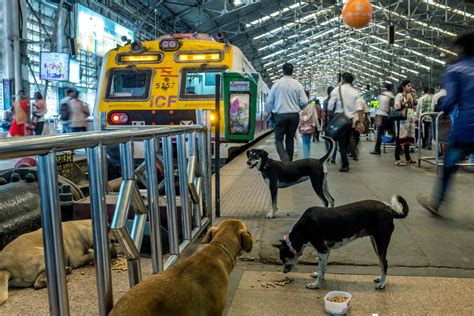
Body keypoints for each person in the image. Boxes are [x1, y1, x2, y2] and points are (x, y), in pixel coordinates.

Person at [417, 31, 474, 215]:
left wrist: (443, 113)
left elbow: (450, 100)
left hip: (466, 128)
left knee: (448, 166)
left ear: (463, 49)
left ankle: (436, 203)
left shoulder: (455, 70)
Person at [265, 63, 308, 162]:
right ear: (292, 72)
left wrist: (268, 112)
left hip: (280, 116)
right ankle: (289, 163)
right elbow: (305, 101)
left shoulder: (277, 84)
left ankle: (285, 159)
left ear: (282, 71)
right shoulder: (297, 84)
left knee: (278, 140)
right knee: (290, 140)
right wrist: (299, 107)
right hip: (294, 116)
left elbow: (269, 102)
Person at [327, 72, 365, 172]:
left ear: (343, 79)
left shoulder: (337, 90)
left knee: (341, 143)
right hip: (350, 121)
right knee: (346, 141)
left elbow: (330, 106)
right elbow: (359, 109)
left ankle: (345, 164)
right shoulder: (355, 92)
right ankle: (346, 161)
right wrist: (360, 122)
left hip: (340, 119)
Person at [393, 80, 417, 166]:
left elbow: (413, 106)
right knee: (400, 139)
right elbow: (397, 107)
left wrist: (413, 97)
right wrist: (406, 101)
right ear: (404, 87)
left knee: (407, 140)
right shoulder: (399, 96)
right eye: (408, 85)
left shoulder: (409, 95)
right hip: (401, 121)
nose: (410, 87)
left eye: (411, 86)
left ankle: (408, 158)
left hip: (409, 120)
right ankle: (397, 159)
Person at [371, 84, 394, 155]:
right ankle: (399, 148)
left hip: (379, 115)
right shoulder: (392, 96)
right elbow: (392, 107)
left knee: (379, 133)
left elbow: (375, 106)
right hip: (387, 116)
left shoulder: (380, 96)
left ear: (385, 88)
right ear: (391, 89)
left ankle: (377, 149)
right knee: (393, 131)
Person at [299, 91, 321, 159]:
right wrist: (318, 127)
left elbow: (298, 117)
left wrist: (297, 127)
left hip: (302, 127)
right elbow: (315, 116)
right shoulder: (312, 105)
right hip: (310, 127)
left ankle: (306, 158)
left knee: (305, 143)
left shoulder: (299, 105)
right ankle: (307, 158)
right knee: (308, 142)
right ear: (308, 96)